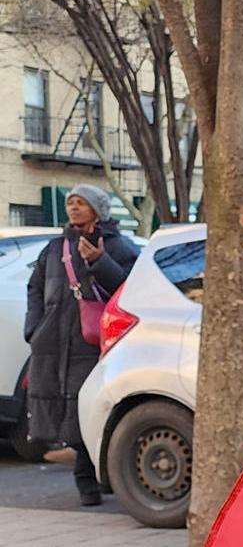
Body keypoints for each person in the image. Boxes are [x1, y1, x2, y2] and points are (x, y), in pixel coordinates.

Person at [23, 185, 136, 506]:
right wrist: (35, 327)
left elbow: (129, 289)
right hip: (54, 342)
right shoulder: (55, 247)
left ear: (97, 210)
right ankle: (92, 480)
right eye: (70, 203)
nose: (73, 208)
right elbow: (35, 288)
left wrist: (100, 261)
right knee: (64, 410)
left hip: (94, 342)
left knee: (87, 409)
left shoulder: (118, 246)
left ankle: (89, 482)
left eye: (81, 203)